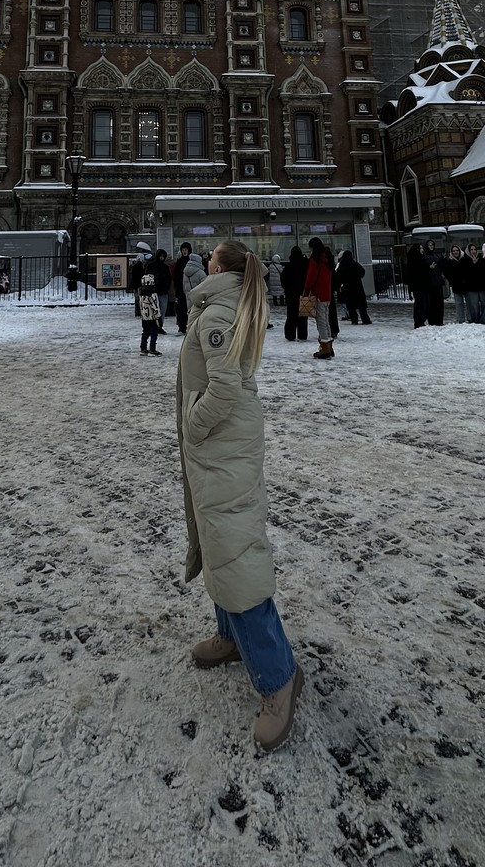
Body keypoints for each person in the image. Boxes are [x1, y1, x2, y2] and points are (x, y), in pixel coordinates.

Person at [177, 240, 303, 753]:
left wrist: (194, 423)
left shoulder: (221, 310)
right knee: (219, 536)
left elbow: (224, 387)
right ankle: (229, 634)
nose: (205, 260)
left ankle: (279, 678)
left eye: (211, 256)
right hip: (224, 442)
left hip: (220, 440)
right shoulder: (227, 304)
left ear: (220, 268)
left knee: (234, 545)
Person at [304, 238, 335, 359]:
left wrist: (306, 289)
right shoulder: (328, 260)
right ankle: (329, 346)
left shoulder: (315, 260)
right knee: (326, 321)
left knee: (321, 322)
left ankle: (324, 348)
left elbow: (311, 277)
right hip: (327, 293)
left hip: (318, 294)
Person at [280, 245, 309, 341]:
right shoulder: (305, 265)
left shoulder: (288, 267)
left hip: (291, 295)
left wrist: (288, 289)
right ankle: (302, 334)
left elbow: (283, 281)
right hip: (303, 293)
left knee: (291, 315)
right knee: (303, 315)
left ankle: (290, 334)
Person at [334, 251, 371, 324]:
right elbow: (362, 272)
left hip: (347, 288)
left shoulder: (342, 266)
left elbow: (338, 277)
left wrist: (339, 285)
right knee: (361, 306)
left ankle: (354, 320)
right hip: (358, 287)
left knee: (351, 306)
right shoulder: (355, 264)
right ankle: (365, 319)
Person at [403, 244, 430, 329]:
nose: (422, 250)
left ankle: (421, 320)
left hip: (423, 285)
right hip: (417, 286)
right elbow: (412, 275)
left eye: (422, 248)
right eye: (420, 248)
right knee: (420, 304)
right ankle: (418, 322)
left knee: (424, 303)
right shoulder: (414, 260)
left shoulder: (422, 258)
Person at [441, 245, 468, 323]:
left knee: (469, 303)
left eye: (457, 250)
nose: (455, 252)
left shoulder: (464, 259)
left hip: (466, 285)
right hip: (457, 285)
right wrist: (452, 281)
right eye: (454, 251)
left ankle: (470, 318)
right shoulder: (450, 262)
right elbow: (447, 273)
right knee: (459, 303)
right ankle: (461, 319)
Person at [138, 269, 163, 354]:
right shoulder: (153, 294)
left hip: (144, 317)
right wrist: (158, 317)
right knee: (154, 332)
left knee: (145, 332)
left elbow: (141, 306)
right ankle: (152, 348)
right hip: (152, 317)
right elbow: (155, 307)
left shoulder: (141, 294)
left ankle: (143, 347)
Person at [172, 242, 194, 333]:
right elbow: (176, 277)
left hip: (191, 289)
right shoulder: (179, 262)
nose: (184, 252)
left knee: (191, 309)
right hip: (181, 290)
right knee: (181, 309)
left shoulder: (192, 262)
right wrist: (177, 288)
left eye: (186, 250)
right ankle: (181, 327)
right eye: (183, 250)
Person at [424, 243, 445, 326]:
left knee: (439, 303)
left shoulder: (436, 255)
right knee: (432, 303)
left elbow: (440, 266)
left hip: (438, 282)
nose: (431, 246)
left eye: (432, 245)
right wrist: (429, 268)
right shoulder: (425, 257)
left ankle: (439, 320)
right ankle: (432, 321)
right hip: (430, 283)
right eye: (429, 245)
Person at [154, 248, 172, 330]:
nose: (161, 258)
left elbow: (169, 278)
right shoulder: (152, 266)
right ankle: (155, 326)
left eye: (163, 256)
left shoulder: (165, 267)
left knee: (162, 309)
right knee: (155, 310)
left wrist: (167, 287)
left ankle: (160, 326)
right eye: (160, 256)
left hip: (163, 291)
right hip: (154, 291)